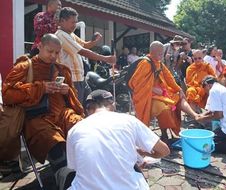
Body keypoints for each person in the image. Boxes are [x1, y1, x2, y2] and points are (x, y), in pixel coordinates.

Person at [2, 34, 84, 188]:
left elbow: (74, 98)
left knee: (82, 128)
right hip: (36, 118)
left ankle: (90, 170)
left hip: (62, 113)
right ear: (39, 46)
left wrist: (68, 92)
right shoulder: (24, 67)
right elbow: (7, 95)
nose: (53, 56)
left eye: (57, 53)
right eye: (49, 51)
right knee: (52, 140)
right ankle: (65, 179)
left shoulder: (62, 70)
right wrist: (40, 87)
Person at [66, 89, 170, 190]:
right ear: (113, 104)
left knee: (65, 173)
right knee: (135, 169)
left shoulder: (74, 130)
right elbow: (164, 150)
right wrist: (145, 153)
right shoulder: (129, 120)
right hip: (130, 187)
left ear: (88, 110)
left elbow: (75, 166)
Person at [128, 41, 200, 140]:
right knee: (164, 109)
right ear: (152, 52)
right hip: (148, 97)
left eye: (162, 53)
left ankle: (195, 115)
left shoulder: (159, 63)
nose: (162, 55)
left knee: (178, 97)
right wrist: (151, 89)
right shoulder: (145, 63)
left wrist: (179, 90)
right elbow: (135, 84)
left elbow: (169, 78)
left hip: (161, 94)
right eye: (160, 53)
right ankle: (164, 134)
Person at [55, 7, 116, 105]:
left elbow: (84, 45)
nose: (75, 25)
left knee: (90, 105)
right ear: (62, 21)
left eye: (76, 22)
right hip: (72, 80)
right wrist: (106, 58)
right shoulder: (61, 35)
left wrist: (94, 41)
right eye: (72, 22)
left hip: (80, 78)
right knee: (78, 109)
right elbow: (82, 51)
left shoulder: (70, 34)